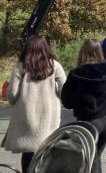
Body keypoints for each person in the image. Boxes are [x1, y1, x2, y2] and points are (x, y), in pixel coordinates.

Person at [1, 35, 66, 173]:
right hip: (48, 119)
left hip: (26, 119)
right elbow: (64, 91)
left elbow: (11, 96)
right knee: (47, 152)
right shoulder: (55, 66)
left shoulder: (20, 67)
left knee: (28, 153)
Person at [61, 39, 106, 173]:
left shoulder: (77, 74)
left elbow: (67, 101)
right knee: (96, 155)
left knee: (89, 158)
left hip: (89, 120)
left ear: (82, 52)